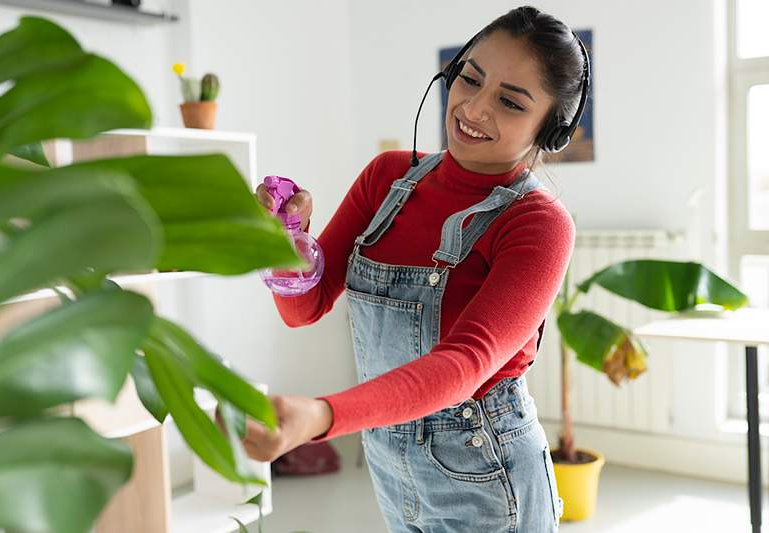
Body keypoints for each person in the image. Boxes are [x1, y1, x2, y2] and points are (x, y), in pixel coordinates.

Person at [245, 5, 586, 531]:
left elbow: (464, 364)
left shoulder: (538, 223)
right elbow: (304, 309)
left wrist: (321, 415)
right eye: (469, 78)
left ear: (551, 130)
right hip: (390, 461)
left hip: (487, 475)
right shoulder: (386, 179)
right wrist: (284, 245)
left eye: (511, 102)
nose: (473, 108)